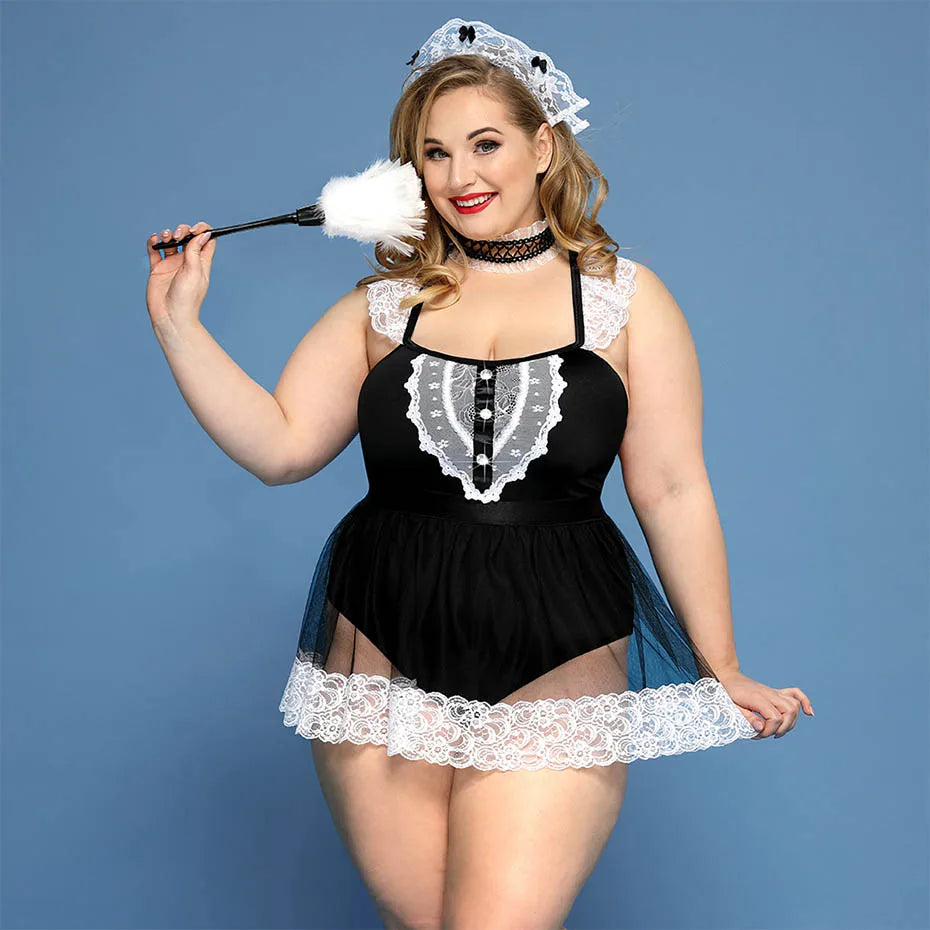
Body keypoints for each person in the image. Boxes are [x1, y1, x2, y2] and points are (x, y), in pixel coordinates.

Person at [145, 18, 813, 930]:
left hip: (560, 637)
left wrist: (720, 664)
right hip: (379, 638)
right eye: (435, 153)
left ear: (543, 146)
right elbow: (281, 447)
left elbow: (671, 489)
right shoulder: (385, 306)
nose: (461, 174)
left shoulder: (625, 299)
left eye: (486, 143)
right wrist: (180, 326)